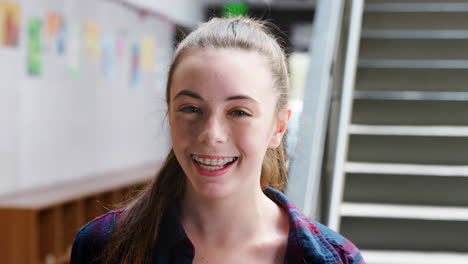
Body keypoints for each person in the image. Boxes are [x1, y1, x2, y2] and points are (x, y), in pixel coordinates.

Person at [71, 16, 365, 264]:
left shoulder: (335, 258)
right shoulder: (102, 246)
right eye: (191, 109)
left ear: (278, 127)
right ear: (170, 113)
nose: (211, 134)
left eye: (238, 111)